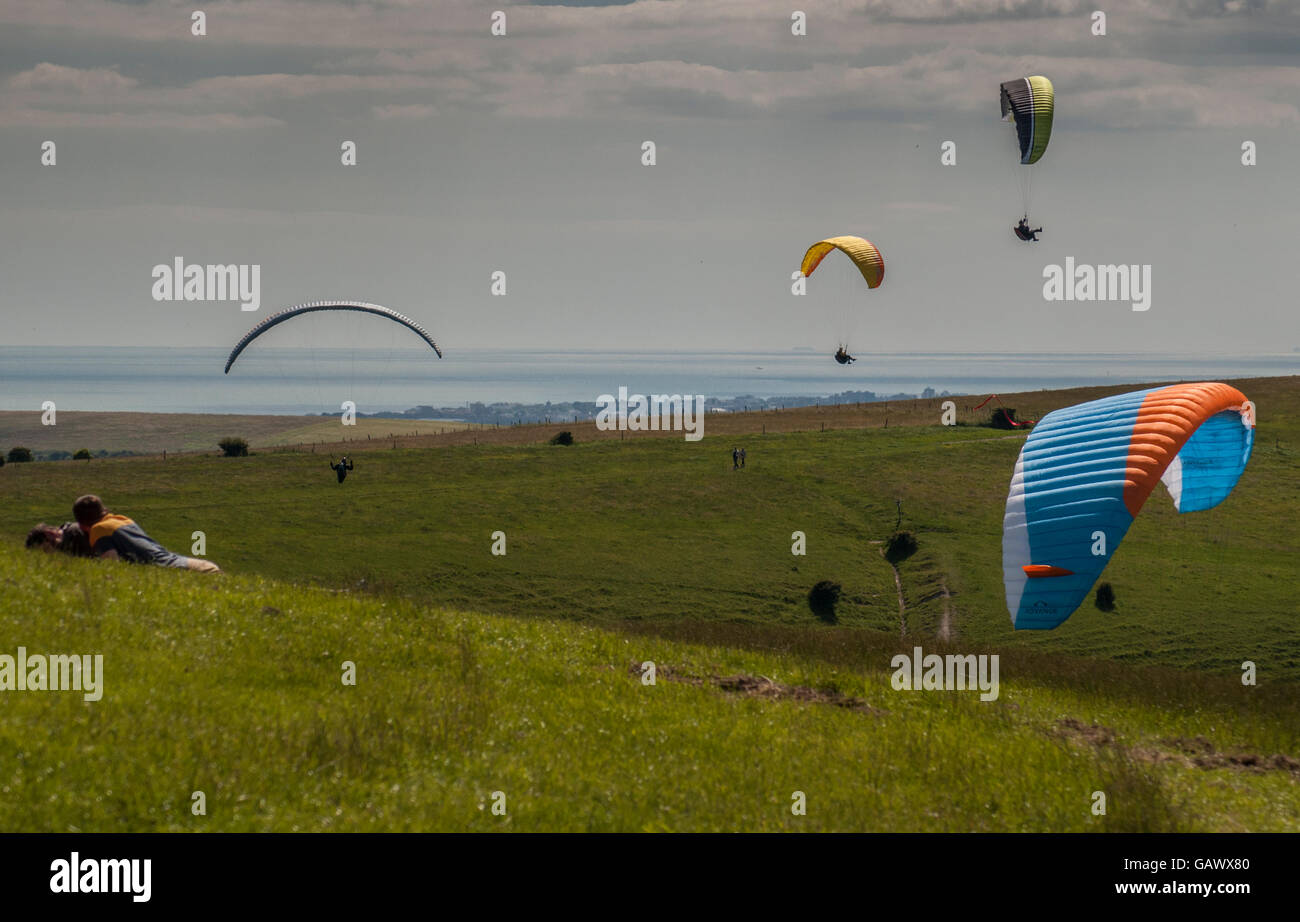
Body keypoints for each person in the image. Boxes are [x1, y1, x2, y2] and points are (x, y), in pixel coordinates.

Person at [71, 494, 220, 572]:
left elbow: (113, 567)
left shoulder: (99, 530)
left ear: (83, 525)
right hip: (198, 564)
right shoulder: (123, 520)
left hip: (179, 570)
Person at [25, 522, 91, 557]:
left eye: (45, 549)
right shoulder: (70, 529)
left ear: (49, 533)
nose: (47, 553)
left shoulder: (74, 536)